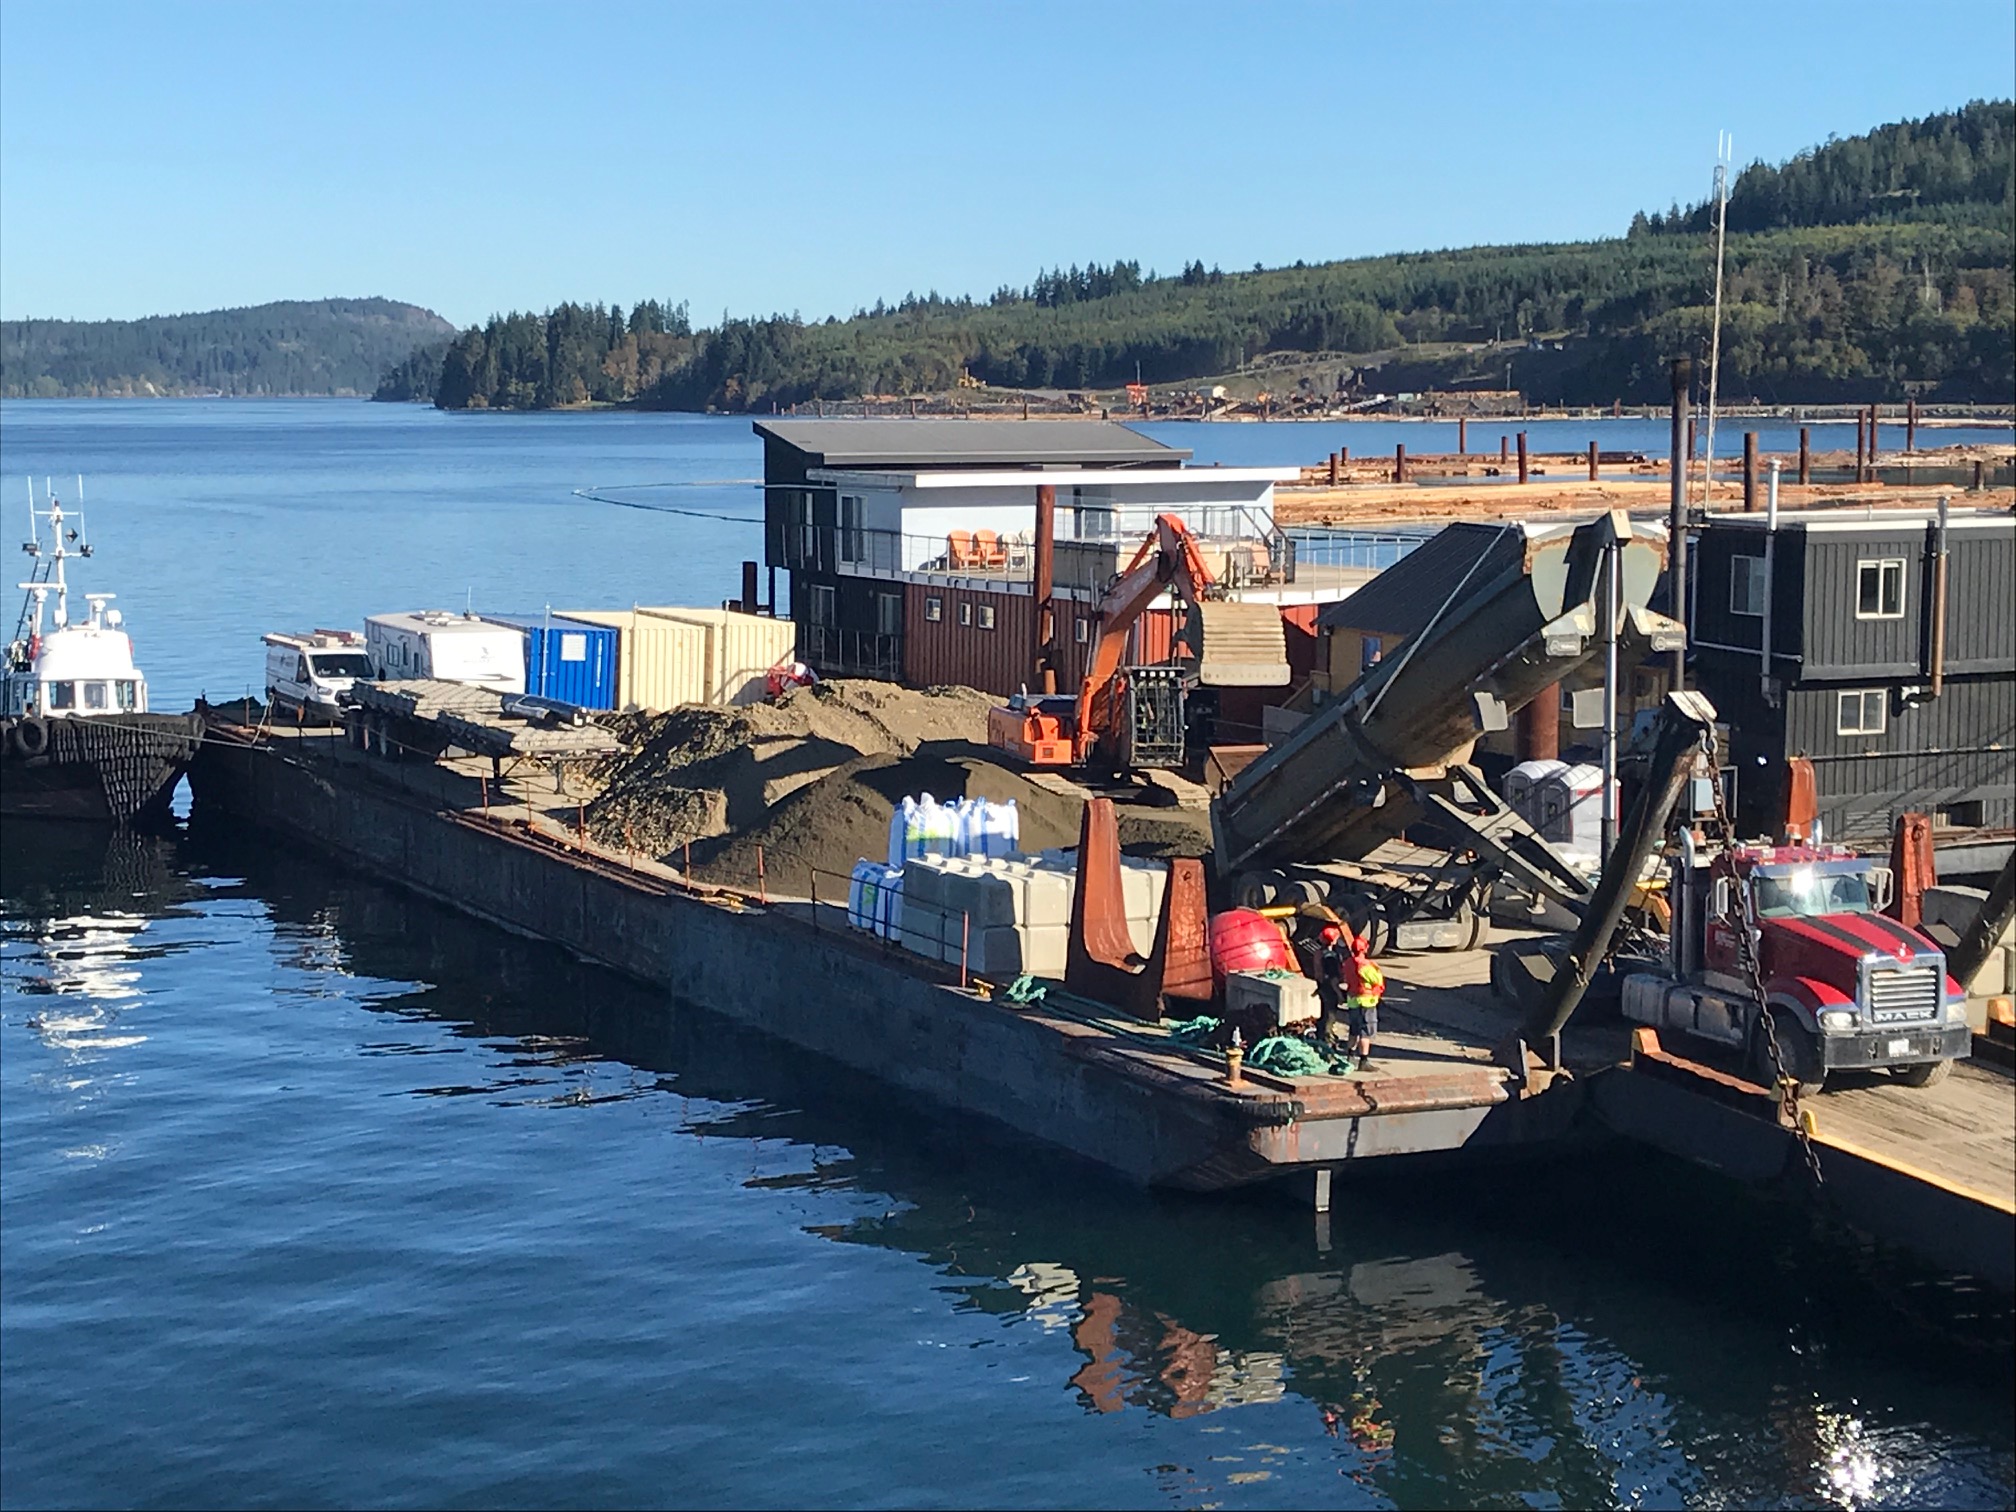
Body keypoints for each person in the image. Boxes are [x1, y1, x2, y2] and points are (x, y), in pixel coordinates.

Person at [1341, 930, 1385, 1070]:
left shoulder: (1347, 963)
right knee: (1365, 1032)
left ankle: (1349, 1056)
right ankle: (1363, 1061)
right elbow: (1377, 980)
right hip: (1366, 1002)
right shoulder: (1365, 966)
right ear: (1364, 949)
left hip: (1353, 1001)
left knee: (1353, 1030)